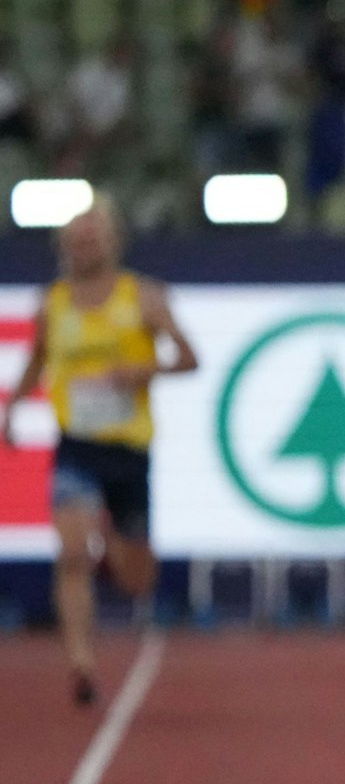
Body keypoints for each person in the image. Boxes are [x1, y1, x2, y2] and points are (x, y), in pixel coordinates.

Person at [1, 200, 198, 707]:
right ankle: (81, 664)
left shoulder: (145, 298)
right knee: (70, 555)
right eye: (75, 241)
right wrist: (13, 411)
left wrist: (142, 372)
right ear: (62, 247)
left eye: (92, 239)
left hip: (129, 449)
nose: (83, 249)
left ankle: (110, 535)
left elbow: (190, 358)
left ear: (113, 242)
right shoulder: (52, 303)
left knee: (137, 578)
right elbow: (36, 362)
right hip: (77, 447)